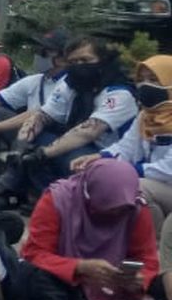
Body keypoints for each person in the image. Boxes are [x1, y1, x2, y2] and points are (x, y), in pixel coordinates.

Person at [20, 159, 170, 300]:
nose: (116, 215)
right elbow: (34, 254)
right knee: (34, 278)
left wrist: (138, 280)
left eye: (122, 210)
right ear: (90, 195)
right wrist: (80, 267)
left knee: (165, 283)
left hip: (116, 284)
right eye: (109, 209)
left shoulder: (135, 207)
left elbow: (147, 259)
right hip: (66, 277)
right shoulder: (58, 200)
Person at [6, 36, 137, 207]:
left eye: (85, 60)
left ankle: (62, 204)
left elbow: (88, 132)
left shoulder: (119, 93)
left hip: (107, 154)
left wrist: (43, 153)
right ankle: (23, 195)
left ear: (103, 60)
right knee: (33, 140)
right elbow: (44, 115)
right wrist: (21, 143)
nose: (79, 65)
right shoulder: (71, 84)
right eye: (74, 61)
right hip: (75, 144)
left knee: (53, 155)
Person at [74, 55, 172, 270]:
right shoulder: (145, 116)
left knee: (136, 187)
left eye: (154, 80)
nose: (146, 86)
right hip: (156, 186)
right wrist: (100, 158)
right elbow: (125, 147)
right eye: (142, 79)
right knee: (95, 176)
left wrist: (127, 171)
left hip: (163, 184)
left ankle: (153, 254)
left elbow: (168, 170)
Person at [0, 28, 69, 161]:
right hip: (26, 133)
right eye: (37, 49)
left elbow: (38, 113)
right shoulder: (35, 80)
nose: (38, 55)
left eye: (44, 51)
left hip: (52, 137)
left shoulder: (68, 83)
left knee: (21, 128)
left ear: (62, 58)